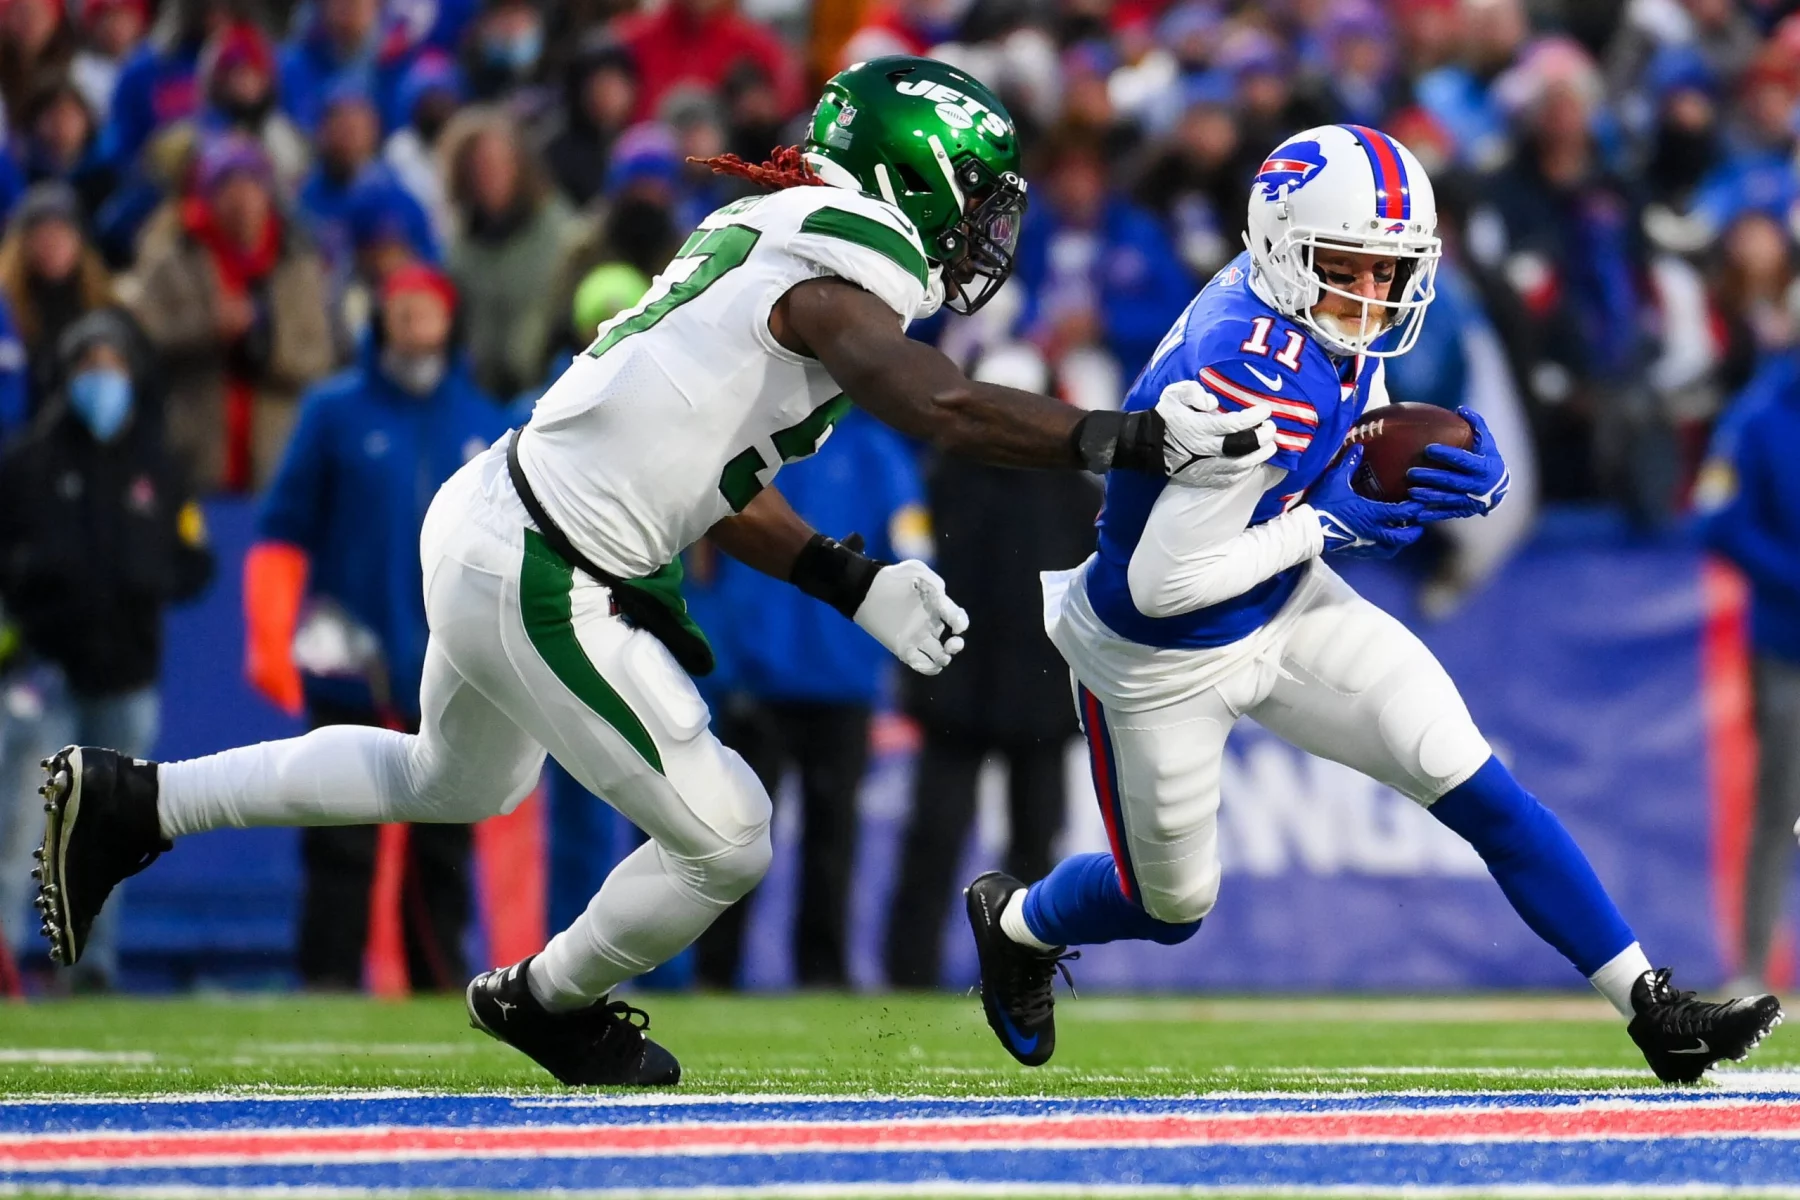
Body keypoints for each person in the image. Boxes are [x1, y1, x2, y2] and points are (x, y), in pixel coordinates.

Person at [32, 55, 1264, 1088]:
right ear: (911, 172)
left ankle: (142, 804)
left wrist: (846, 577)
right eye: (977, 194)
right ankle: (541, 1001)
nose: (986, 225)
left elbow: (711, 471)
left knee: (447, 778)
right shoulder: (854, 250)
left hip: (499, 512)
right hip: (541, 560)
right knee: (729, 834)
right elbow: (935, 404)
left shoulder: (771, 228)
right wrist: (1131, 438)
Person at [961, 123, 1784, 1088]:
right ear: (1282, 247)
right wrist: (1331, 524)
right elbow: (1164, 584)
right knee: (1172, 906)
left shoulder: (1306, 308)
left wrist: (1435, 459)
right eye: (1350, 266)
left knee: (1473, 779)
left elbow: (1351, 403)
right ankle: (1017, 923)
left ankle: (1654, 1008)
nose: (1373, 294)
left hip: (1282, 598)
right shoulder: (1245, 372)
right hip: (1155, 654)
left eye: (1390, 270)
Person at [245, 263, 509, 991]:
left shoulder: (483, 421)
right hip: (349, 656)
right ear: (381, 320)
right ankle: (326, 984)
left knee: (444, 846)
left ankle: (438, 987)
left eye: (427, 311)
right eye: (402, 311)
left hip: (453, 668)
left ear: (449, 321)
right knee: (339, 841)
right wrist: (270, 637)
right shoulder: (334, 413)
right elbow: (283, 528)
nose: (414, 324)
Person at [0, 308, 212, 989]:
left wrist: (152, 580)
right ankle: (7, 955)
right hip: (48, 665)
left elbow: (196, 559)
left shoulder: (160, 466)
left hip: (128, 669)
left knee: (108, 828)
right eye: (88, 366)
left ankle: (92, 964)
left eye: (112, 366)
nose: (100, 380)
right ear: (67, 374)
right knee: (25, 816)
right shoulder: (28, 461)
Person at [884, 346, 1099, 990]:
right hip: (977, 692)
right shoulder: (944, 480)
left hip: (1003, 694)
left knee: (1026, 848)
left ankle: (1015, 976)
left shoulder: (949, 478)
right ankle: (915, 972)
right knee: (942, 840)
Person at [694, 408, 929, 989]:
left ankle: (820, 973)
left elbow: (915, 559)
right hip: (759, 677)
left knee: (830, 838)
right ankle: (715, 972)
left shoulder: (875, 450)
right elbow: (702, 559)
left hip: (838, 680)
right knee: (735, 840)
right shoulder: (755, 444)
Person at [130, 133, 333, 492]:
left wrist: (265, 340)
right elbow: (142, 340)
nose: (242, 198)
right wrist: (209, 329)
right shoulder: (173, 255)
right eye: (228, 186)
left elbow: (319, 357)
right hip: (196, 450)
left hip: (275, 454)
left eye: (252, 184)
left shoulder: (296, 261)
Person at [1696, 354, 1800, 993]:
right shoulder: (1760, 416)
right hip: (1788, 642)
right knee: (1781, 804)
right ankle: (1754, 967)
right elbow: (1718, 517)